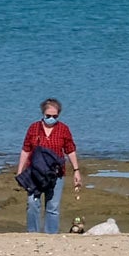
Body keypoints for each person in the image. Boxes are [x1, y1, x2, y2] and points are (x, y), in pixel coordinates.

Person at [16, 97, 81, 234]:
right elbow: (26, 149)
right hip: (35, 173)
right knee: (33, 204)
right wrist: (20, 170)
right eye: (48, 116)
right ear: (43, 114)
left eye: (55, 116)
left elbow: (70, 150)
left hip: (56, 174)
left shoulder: (63, 129)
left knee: (53, 206)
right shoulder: (34, 128)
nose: (51, 118)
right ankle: (33, 233)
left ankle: (51, 235)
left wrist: (76, 170)